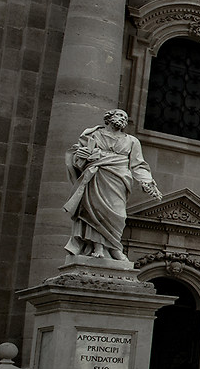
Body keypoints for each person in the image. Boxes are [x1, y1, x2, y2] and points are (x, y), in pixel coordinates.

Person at [64, 110, 159, 264]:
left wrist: (147, 181)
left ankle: (114, 245)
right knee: (95, 211)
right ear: (108, 118)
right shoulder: (93, 135)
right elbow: (77, 157)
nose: (123, 119)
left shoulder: (132, 141)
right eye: (120, 115)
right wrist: (79, 157)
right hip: (97, 176)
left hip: (119, 179)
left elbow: (138, 164)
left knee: (117, 214)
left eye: (125, 118)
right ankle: (99, 247)